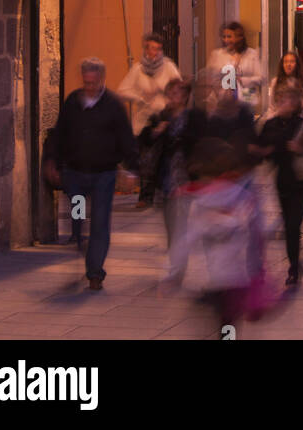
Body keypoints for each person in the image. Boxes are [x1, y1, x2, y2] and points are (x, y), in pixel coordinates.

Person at [47, 58, 139, 291]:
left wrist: (131, 168)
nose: (89, 86)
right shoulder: (72, 102)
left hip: (103, 175)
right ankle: (80, 239)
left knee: (99, 222)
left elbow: (125, 138)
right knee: (78, 216)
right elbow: (60, 134)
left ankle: (95, 271)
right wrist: (53, 162)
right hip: (76, 174)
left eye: (93, 82)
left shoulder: (112, 105)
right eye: (86, 82)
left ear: (102, 80)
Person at [171, 136, 271, 335]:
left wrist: (171, 273)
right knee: (227, 323)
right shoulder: (244, 196)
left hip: (213, 277)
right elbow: (258, 233)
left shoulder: (200, 200)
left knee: (220, 321)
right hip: (234, 276)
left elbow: (186, 238)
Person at [140, 78, 206, 281]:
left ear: (185, 96)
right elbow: (143, 140)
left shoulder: (194, 117)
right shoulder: (161, 117)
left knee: (181, 225)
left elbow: (201, 142)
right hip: (166, 178)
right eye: (170, 93)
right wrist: (155, 132)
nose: (172, 97)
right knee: (171, 226)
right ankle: (177, 262)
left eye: (176, 93)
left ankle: (178, 268)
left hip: (186, 179)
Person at [256, 85, 303, 285]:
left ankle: (293, 267)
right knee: (288, 224)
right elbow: (264, 150)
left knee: (293, 226)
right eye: (281, 101)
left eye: (288, 101)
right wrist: (268, 150)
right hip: (282, 182)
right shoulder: (270, 125)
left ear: (295, 104)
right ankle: (294, 262)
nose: (284, 104)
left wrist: (302, 146)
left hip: (300, 184)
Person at [117, 32, 181, 208]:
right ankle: (145, 197)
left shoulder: (168, 67)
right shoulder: (138, 69)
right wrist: (140, 97)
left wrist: (164, 94)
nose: (156, 52)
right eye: (152, 48)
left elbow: (179, 89)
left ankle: (165, 193)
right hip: (145, 122)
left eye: (159, 49)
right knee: (146, 160)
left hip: (164, 118)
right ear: (146, 49)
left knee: (165, 157)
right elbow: (123, 90)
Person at [207, 22, 264, 114]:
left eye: (229, 37)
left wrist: (241, 80)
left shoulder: (251, 53)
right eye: (224, 37)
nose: (226, 40)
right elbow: (211, 79)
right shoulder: (217, 54)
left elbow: (260, 78)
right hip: (223, 102)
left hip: (246, 98)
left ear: (239, 37)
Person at [269, 51, 303, 116]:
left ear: (297, 64)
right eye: (286, 62)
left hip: (300, 121)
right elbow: (272, 106)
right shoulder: (275, 82)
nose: (288, 64)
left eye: (292, 61)